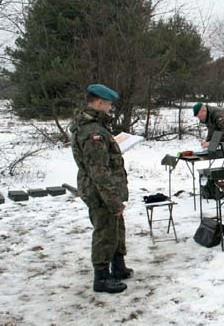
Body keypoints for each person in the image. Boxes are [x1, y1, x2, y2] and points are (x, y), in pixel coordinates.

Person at [70, 84, 133, 294]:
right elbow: (99, 172)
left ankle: (118, 266)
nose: (110, 107)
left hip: (108, 190)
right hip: (101, 192)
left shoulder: (96, 126)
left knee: (116, 228)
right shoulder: (92, 132)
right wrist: (114, 201)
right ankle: (102, 277)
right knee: (105, 232)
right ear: (98, 103)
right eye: (108, 104)